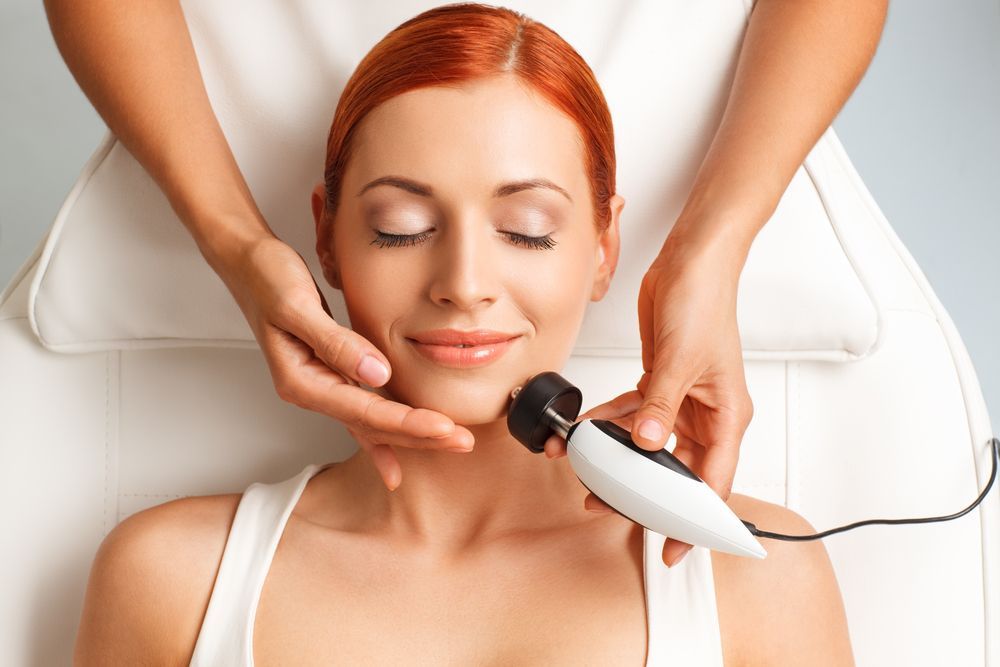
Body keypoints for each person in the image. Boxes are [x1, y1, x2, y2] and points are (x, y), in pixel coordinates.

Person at [73, 5, 854, 664]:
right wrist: (236, 245)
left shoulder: (754, 580)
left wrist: (711, 252)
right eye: (401, 226)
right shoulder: (173, 580)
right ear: (326, 239)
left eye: (528, 229)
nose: (465, 280)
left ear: (604, 250)